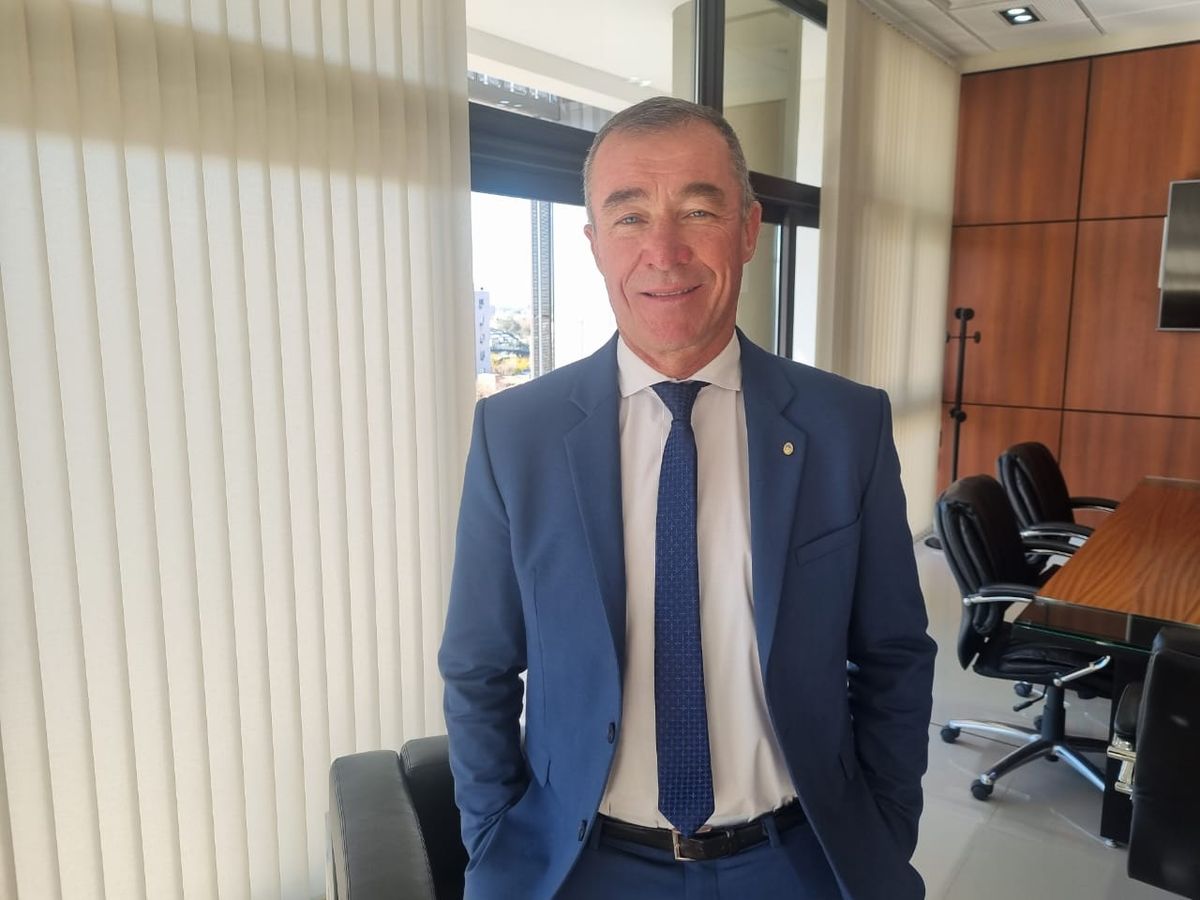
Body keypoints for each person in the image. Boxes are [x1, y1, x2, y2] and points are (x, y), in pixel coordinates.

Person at [438, 96, 936, 900]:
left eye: (698, 210)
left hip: (801, 860)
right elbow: (478, 666)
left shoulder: (846, 425)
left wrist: (885, 824)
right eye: (629, 217)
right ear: (594, 243)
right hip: (581, 866)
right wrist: (495, 836)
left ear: (749, 228)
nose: (663, 252)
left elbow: (893, 654)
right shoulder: (516, 435)